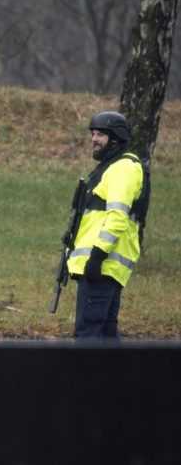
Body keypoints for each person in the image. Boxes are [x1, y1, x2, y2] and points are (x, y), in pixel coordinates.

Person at [68, 111, 150, 339]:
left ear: (115, 139)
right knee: (104, 334)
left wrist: (97, 256)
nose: (94, 139)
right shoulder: (110, 167)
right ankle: (114, 376)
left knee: (89, 334)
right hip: (101, 266)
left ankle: (87, 376)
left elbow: (117, 215)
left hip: (102, 265)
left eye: (101, 135)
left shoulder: (123, 168)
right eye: (93, 133)